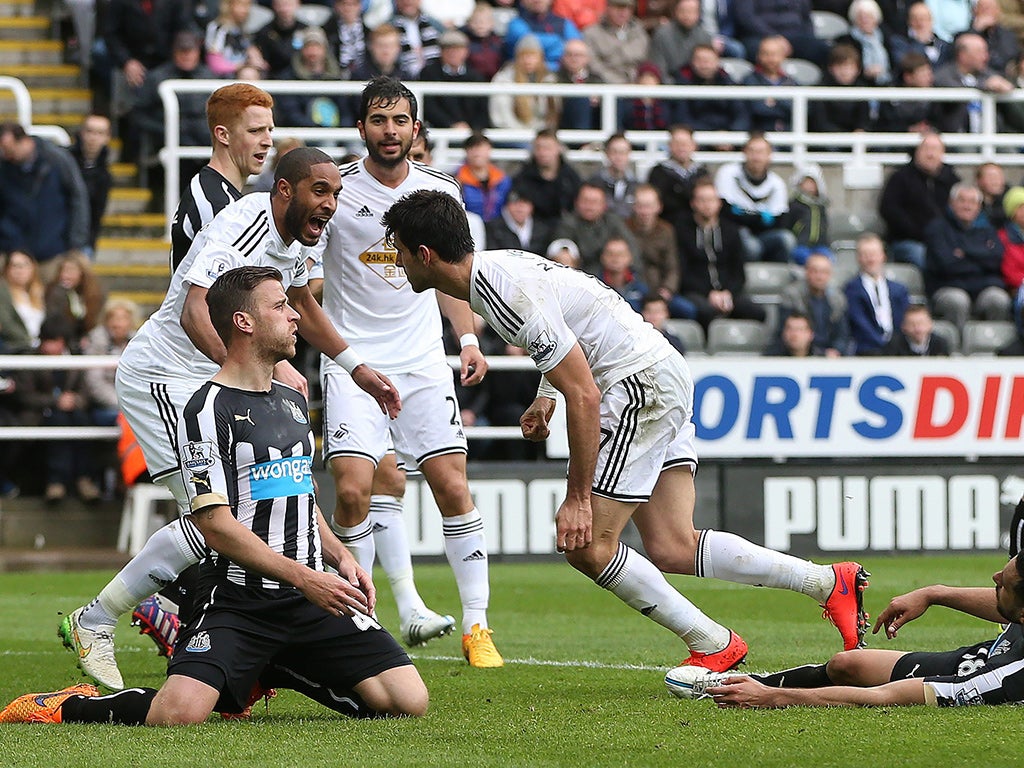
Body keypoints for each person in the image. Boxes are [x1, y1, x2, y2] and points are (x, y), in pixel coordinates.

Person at [381, 188, 871, 677]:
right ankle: (827, 583)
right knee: (673, 545)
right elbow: (575, 333)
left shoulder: (499, 291)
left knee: (586, 544)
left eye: (400, 250)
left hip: (637, 387)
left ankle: (714, 643)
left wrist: (577, 496)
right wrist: (546, 395)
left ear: (425, 254)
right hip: (660, 370)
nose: (397, 262)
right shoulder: (496, 269)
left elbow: (587, 396)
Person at [1, 266, 428, 725]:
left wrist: (338, 554)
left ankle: (266, 667)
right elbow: (214, 524)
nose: (295, 317)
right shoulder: (205, 409)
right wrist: (306, 578)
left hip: (308, 598)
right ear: (244, 322)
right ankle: (68, 704)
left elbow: (300, 489)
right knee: (178, 715)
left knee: (408, 701)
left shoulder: (291, 397)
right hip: (238, 599)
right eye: (280, 307)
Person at [59, 147, 400, 692]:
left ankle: (180, 612)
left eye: (336, 194)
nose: (331, 205)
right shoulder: (243, 222)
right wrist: (250, 379)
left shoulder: (298, 241)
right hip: (166, 375)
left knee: (238, 511)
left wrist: (354, 367)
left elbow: (302, 306)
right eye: (321, 192)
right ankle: (97, 618)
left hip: (214, 376)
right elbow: (197, 309)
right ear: (285, 190)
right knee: (213, 518)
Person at [314, 77, 502, 668]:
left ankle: (477, 626)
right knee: (351, 491)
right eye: (379, 120)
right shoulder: (336, 192)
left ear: (416, 129)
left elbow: (453, 274)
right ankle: (359, 623)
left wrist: (467, 337)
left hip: (422, 362)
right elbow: (305, 281)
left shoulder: (440, 190)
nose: (390, 131)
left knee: (452, 486)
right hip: (352, 362)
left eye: (400, 121)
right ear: (361, 127)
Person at [665, 501, 1024, 708]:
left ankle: (742, 689)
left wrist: (774, 698)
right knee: (848, 663)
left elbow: (884, 697)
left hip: (987, 671)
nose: (993, 577)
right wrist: (934, 593)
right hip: (988, 653)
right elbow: (1007, 606)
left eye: (1003, 584)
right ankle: (736, 683)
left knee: (867, 686)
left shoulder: (1008, 678)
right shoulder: (1018, 613)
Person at [170, 83, 275, 271]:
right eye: (255, 131)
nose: (268, 141)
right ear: (223, 135)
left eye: (270, 130)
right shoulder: (215, 204)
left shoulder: (215, 191)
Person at [675, 177, 767, 331]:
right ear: (693, 203)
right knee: (704, 311)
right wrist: (709, 294)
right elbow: (683, 271)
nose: (707, 205)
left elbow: (738, 272)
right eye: (702, 200)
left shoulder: (731, 230)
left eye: (711, 200)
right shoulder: (683, 231)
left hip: (727, 292)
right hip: (697, 292)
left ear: (719, 203)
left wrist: (727, 293)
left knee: (757, 312)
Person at [924, 182, 1012, 331]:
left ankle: (993, 344)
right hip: (948, 286)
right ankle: (957, 349)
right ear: (951, 203)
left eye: (972, 202)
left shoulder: (988, 230)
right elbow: (947, 265)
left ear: (979, 206)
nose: (967, 206)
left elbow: (996, 260)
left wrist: (965, 252)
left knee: (999, 299)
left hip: (984, 288)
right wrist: (981, 255)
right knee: (958, 301)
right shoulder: (937, 229)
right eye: (962, 200)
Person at [0, 122, 90, 265]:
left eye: (7, 149)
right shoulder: (4, 166)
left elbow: (77, 198)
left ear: (24, 141)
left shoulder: (56, 159)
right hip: (11, 253)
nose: (5, 154)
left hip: (52, 252)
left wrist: (75, 243)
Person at [878, 131, 960, 269]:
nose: (930, 154)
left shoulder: (952, 180)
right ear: (917, 151)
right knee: (924, 257)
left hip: (944, 241)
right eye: (926, 149)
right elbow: (889, 209)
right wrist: (919, 232)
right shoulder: (900, 178)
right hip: (908, 241)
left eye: (935, 149)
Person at [715, 133, 795, 263]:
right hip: (736, 233)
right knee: (750, 245)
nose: (756, 157)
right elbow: (724, 212)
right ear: (744, 152)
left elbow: (780, 222)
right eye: (752, 151)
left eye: (761, 152)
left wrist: (745, 216)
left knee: (787, 239)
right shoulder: (728, 173)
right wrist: (759, 218)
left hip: (764, 235)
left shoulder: (777, 183)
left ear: (769, 155)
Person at [626, 184, 695, 320]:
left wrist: (667, 290)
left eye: (649, 206)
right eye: (640, 206)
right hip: (634, 289)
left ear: (659, 207)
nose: (645, 211)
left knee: (688, 310)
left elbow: (672, 266)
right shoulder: (624, 228)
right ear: (634, 207)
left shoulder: (667, 231)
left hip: (660, 289)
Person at [844, 232, 912, 355]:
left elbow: (904, 319)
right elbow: (859, 322)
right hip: (867, 350)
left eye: (874, 254)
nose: (871, 259)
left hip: (898, 350)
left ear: (883, 256)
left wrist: (895, 344)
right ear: (858, 258)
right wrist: (882, 344)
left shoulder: (899, 290)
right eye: (866, 254)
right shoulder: (851, 289)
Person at [933, 32, 1013, 134]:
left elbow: (1006, 84)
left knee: (1009, 149)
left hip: (991, 133)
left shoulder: (987, 73)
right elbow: (953, 89)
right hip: (957, 135)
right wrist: (985, 86)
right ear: (963, 55)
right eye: (980, 52)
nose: (986, 57)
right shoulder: (943, 75)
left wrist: (1005, 85)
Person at [552, 182, 639, 275]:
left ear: (604, 205)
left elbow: (631, 247)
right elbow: (559, 247)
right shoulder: (568, 223)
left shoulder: (613, 221)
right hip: (578, 274)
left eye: (594, 202)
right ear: (576, 202)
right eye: (585, 201)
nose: (589, 207)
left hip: (609, 275)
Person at [778, 254, 850, 357]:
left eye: (824, 272)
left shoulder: (837, 299)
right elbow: (785, 331)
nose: (819, 277)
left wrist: (836, 350)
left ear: (829, 275)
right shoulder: (792, 296)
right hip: (800, 353)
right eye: (814, 271)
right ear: (806, 272)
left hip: (829, 355)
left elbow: (842, 333)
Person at [419, 29, 489, 131]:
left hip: (471, 132)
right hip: (439, 130)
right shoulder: (429, 74)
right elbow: (430, 107)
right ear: (441, 52)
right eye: (448, 49)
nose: (453, 53)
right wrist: (450, 124)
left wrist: (472, 129)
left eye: (458, 49)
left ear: (466, 51)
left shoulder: (475, 76)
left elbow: (482, 110)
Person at [512, 129, 583, 228]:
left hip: (565, 229)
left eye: (548, 148)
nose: (543, 153)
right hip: (533, 231)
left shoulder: (571, 178)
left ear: (558, 149)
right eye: (538, 148)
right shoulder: (522, 178)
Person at [489, 35, 559, 132]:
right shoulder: (504, 79)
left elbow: (552, 114)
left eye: (533, 56)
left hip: (542, 134)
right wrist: (521, 134)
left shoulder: (549, 80)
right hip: (512, 133)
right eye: (523, 56)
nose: (528, 60)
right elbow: (501, 116)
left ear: (540, 58)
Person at [646, 124, 709, 222]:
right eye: (677, 143)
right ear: (669, 145)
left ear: (694, 146)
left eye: (685, 144)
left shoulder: (702, 172)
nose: (681, 148)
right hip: (668, 224)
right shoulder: (658, 173)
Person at [69, 114, 113, 253]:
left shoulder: (105, 176)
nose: (93, 138)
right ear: (81, 133)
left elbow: (97, 215)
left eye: (100, 133)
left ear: (107, 138)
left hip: (84, 242)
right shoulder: (65, 163)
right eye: (89, 131)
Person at [582, 0, 650, 85]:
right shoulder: (591, 33)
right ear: (608, 8)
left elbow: (648, 61)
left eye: (627, 8)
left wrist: (644, 79)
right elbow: (593, 64)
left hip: (637, 86)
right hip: (605, 86)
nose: (622, 13)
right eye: (618, 8)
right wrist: (618, 82)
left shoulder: (640, 33)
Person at [504, 0, 582, 72]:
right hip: (524, 75)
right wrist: (558, 42)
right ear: (522, 1)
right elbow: (528, 43)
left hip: (561, 74)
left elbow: (577, 48)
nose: (537, 1)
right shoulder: (516, 23)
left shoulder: (565, 23)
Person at [742, 36, 797, 133]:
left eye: (775, 54)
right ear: (758, 56)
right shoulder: (749, 80)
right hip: (760, 134)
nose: (771, 58)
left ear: (783, 56)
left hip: (787, 136)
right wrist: (784, 100)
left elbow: (799, 110)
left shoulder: (791, 81)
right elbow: (759, 109)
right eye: (766, 54)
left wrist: (774, 100)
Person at [649, 0, 713, 84]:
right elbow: (658, 68)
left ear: (698, 13)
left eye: (691, 11)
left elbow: (710, 69)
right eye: (683, 11)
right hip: (669, 88)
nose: (687, 15)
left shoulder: (705, 37)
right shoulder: (662, 35)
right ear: (676, 11)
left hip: (698, 87)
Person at [457, 132, 512, 223]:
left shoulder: (502, 180)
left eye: (480, 148)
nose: (477, 152)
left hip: (498, 229)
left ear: (489, 150)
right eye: (472, 148)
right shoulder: (458, 180)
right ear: (466, 152)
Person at [784, 164, 833, 265]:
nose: (809, 186)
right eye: (806, 182)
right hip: (801, 244)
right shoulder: (794, 205)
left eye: (812, 183)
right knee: (805, 258)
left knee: (828, 259)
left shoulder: (821, 206)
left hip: (820, 245)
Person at [485, 185, 552, 254]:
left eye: (524, 203)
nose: (519, 208)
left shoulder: (542, 229)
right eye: (515, 203)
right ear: (507, 205)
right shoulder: (493, 228)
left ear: (532, 206)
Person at [254, 0, 309, 78]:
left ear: (298, 4)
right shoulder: (264, 32)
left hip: (302, 76)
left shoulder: (307, 30)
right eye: (280, 5)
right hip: (273, 78)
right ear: (273, 6)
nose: (284, 9)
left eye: (289, 5)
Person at [591, 134, 640, 219]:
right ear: (606, 153)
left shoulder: (637, 186)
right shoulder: (594, 183)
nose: (619, 157)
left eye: (623, 152)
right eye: (614, 152)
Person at [390, 0, 442, 78]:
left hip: (433, 77)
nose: (408, 2)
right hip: (401, 77)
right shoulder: (390, 25)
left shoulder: (433, 24)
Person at [881, 302, 951, 354]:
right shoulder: (894, 346)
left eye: (921, 323)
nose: (917, 329)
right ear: (903, 326)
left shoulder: (940, 344)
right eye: (912, 324)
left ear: (930, 324)